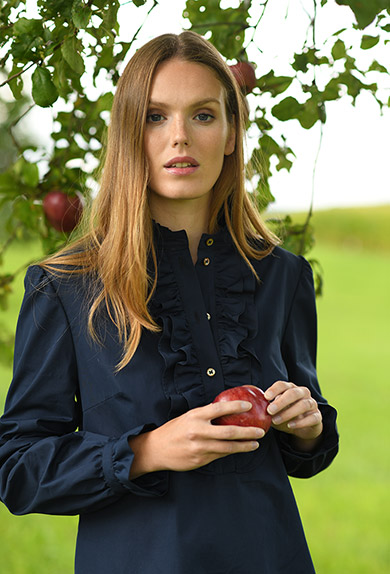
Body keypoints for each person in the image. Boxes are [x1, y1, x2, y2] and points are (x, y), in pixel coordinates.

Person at [0, 31, 338, 574]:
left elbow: (306, 447)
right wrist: (146, 453)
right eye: (156, 117)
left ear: (231, 133)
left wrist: (309, 424)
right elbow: (17, 468)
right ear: (129, 134)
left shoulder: (283, 275)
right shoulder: (65, 285)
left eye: (203, 115)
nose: (179, 137)